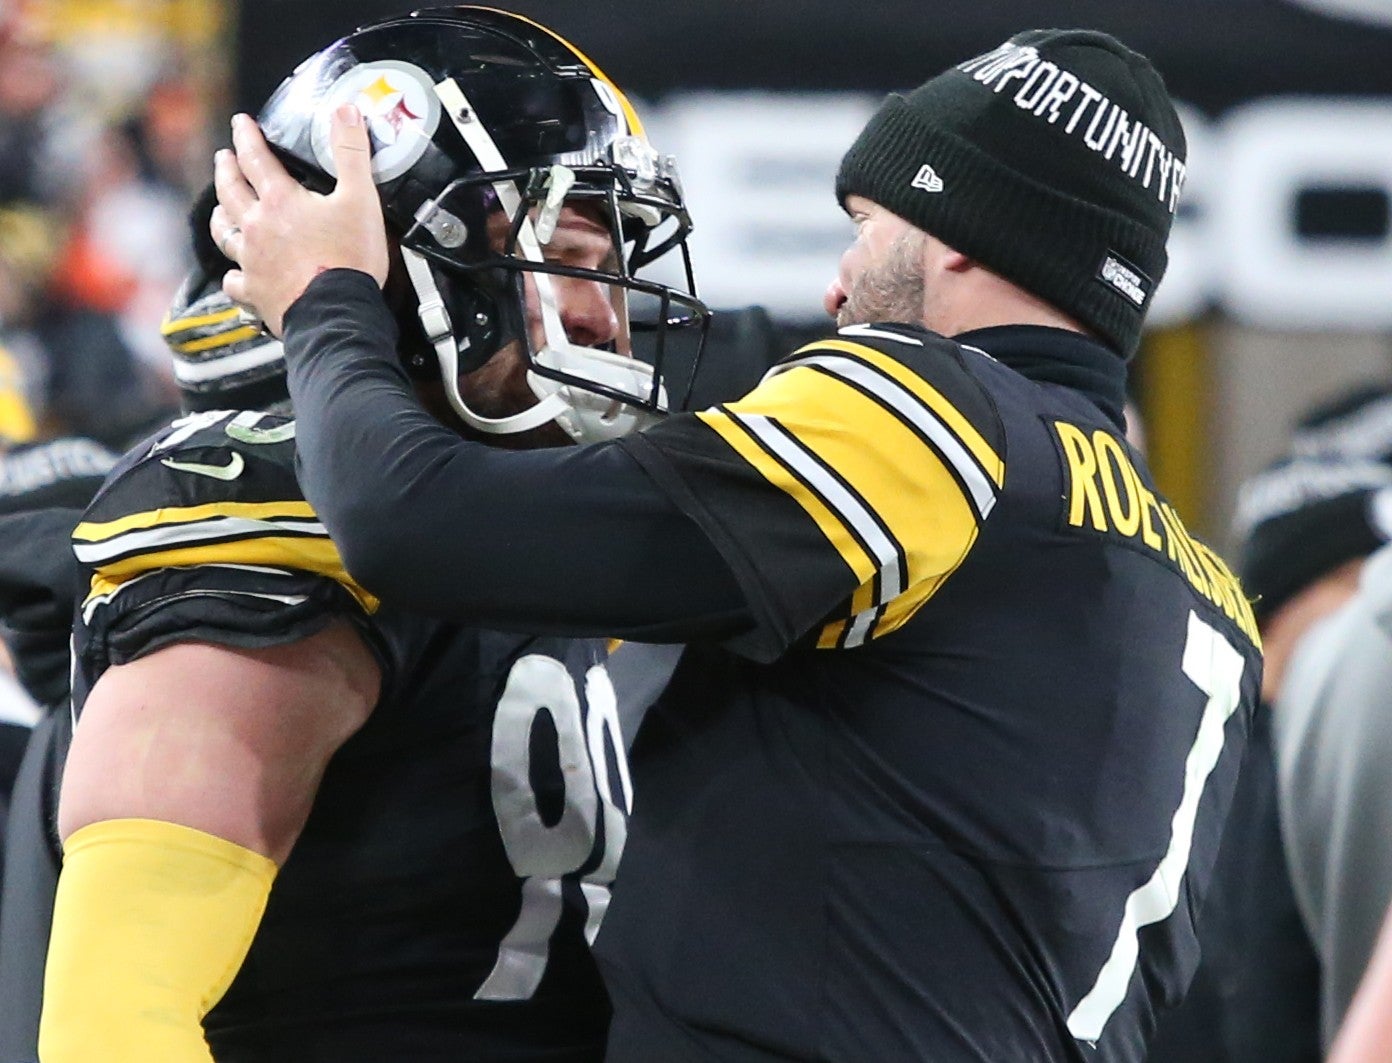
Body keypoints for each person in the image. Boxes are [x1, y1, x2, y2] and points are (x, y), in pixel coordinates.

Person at [217, 27, 1262, 1061]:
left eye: (867, 226)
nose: (838, 286)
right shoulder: (1199, 580)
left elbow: (410, 521)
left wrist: (326, 303)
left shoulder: (938, 420)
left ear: (957, 235)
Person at [38, 9, 710, 1061]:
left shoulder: (507, 527)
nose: (604, 314)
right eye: (568, 256)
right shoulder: (273, 510)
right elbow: (113, 1015)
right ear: (410, 268)